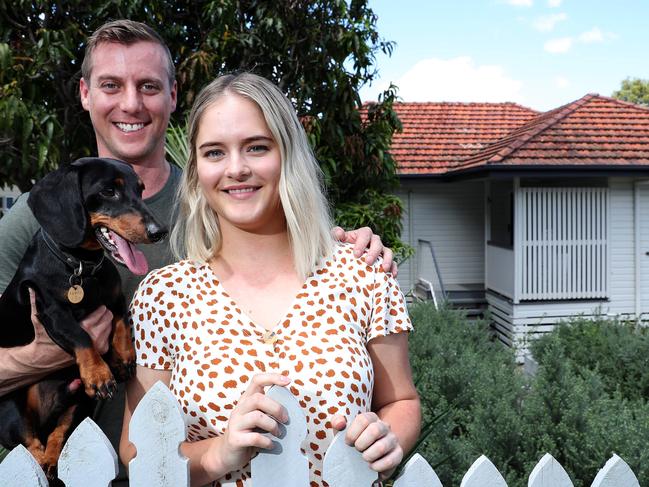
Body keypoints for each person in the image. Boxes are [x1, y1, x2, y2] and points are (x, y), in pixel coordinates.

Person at [0, 19, 395, 482]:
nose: (131, 103)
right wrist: (47, 354)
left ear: (172, 96)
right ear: (86, 94)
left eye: (148, 86)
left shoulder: (211, 203)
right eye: (111, 85)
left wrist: (344, 243)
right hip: (52, 466)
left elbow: (279, 239)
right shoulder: (37, 216)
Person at [119, 72, 421, 487]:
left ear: (287, 154)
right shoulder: (163, 297)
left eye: (256, 147)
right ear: (196, 172)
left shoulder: (364, 276)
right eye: (214, 153)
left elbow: (401, 400)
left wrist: (390, 439)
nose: (236, 169)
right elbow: (136, 449)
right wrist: (219, 451)